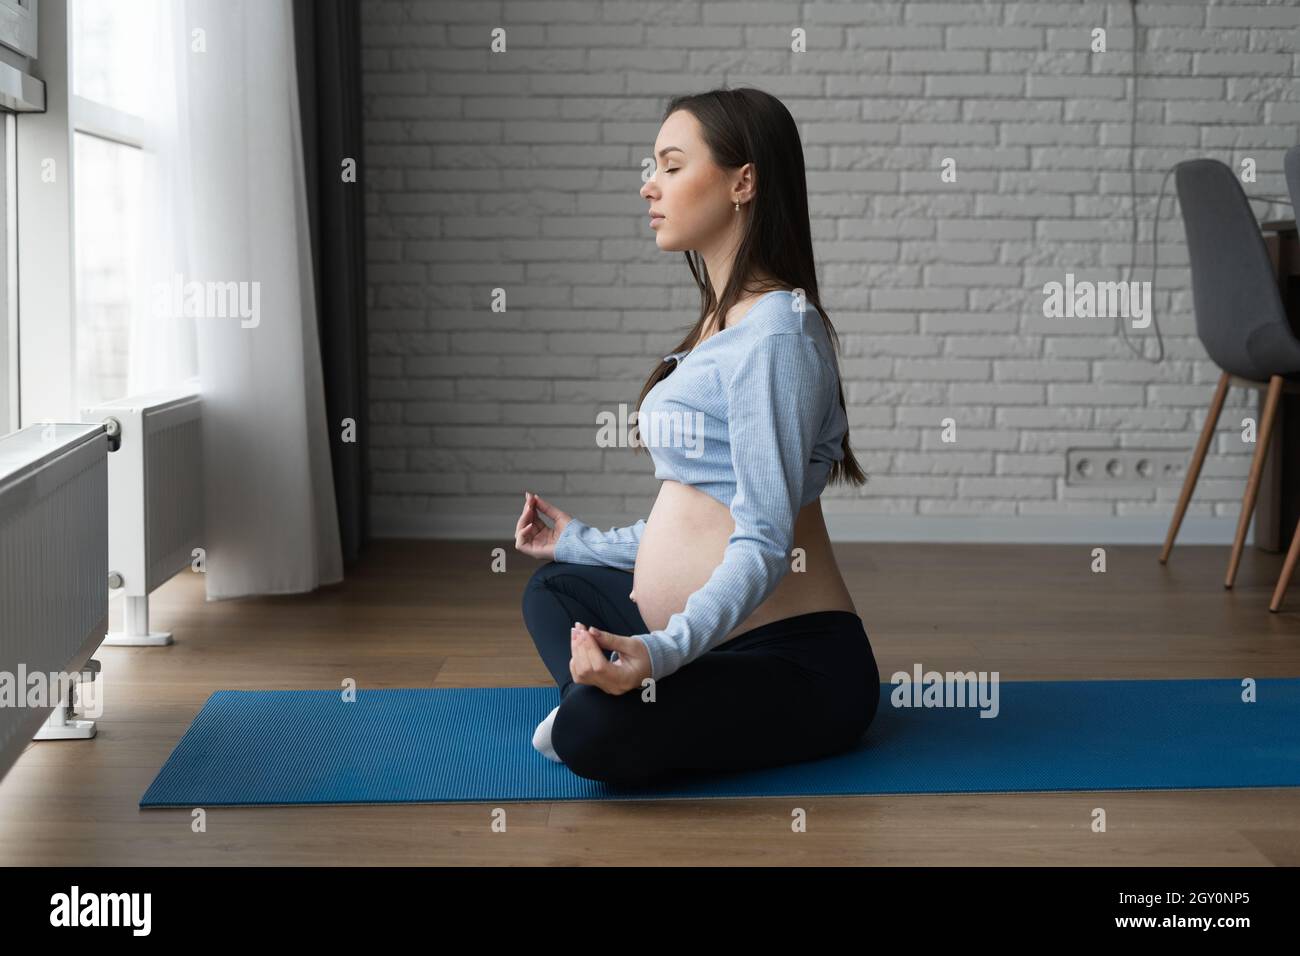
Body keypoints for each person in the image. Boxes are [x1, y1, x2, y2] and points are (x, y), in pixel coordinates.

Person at [515, 88, 881, 787]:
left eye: (672, 166)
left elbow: (765, 542)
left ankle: (601, 703)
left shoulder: (774, 338)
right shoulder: (724, 323)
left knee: (594, 734)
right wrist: (579, 541)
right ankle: (617, 692)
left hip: (795, 659)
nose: (649, 186)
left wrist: (659, 653)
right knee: (556, 585)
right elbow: (694, 516)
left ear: (743, 182)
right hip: (712, 642)